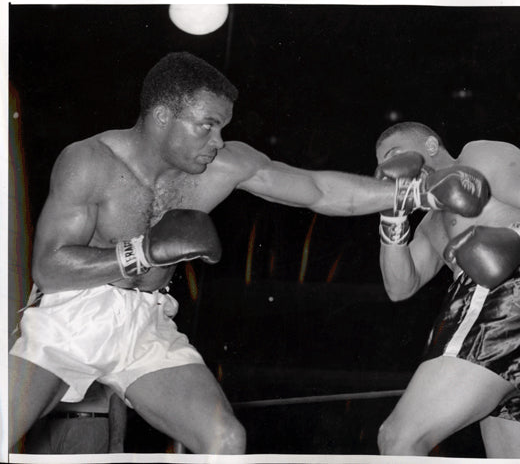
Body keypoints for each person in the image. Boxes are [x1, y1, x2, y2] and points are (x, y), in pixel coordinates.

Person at [9, 51, 426, 455]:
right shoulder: (90, 161)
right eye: (206, 126)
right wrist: (144, 252)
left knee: (225, 439)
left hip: (146, 321)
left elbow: (318, 190)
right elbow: (49, 268)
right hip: (70, 315)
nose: (217, 141)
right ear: (162, 117)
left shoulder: (223, 165)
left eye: (222, 127)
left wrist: (419, 193)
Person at [373, 121, 520, 458]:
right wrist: (391, 217)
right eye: (383, 166)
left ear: (432, 146)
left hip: (503, 298)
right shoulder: (431, 222)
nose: (391, 169)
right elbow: (399, 287)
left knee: (397, 438)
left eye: (395, 155)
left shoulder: (478, 155)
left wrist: (514, 240)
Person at [23, 382, 127, 454]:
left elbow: (116, 396)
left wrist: (116, 445)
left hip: (87, 425)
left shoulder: (101, 355)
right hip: (47, 422)